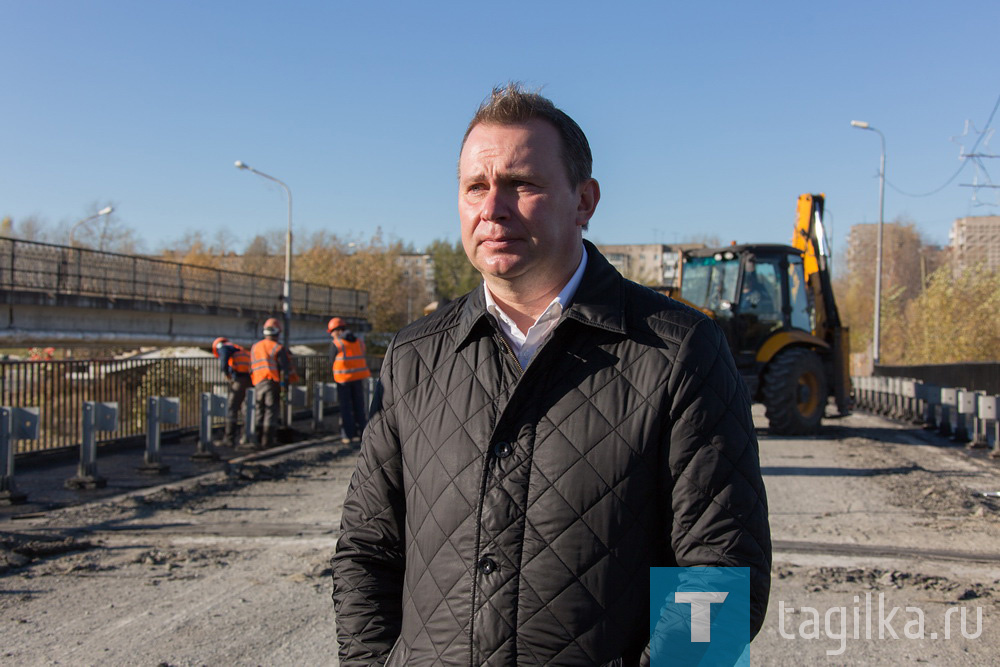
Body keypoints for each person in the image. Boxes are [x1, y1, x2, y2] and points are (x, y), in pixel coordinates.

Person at [331, 84, 771, 666]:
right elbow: (367, 551)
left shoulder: (677, 349)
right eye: (475, 188)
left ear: (584, 201)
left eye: (522, 184)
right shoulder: (416, 356)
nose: (493, 209)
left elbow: (719, 572)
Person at [249, 317, 297, 448]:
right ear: (277, 332)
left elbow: (251, 367)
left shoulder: (255, 347)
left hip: (258, 382)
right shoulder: (277, 347)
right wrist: (285, 387)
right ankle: (267, 441)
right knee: (271, 411)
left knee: (259, 410)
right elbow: (284, 369)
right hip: (272, 382)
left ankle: (256, 439)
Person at [328, 317, 371, 444]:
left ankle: (347, 434)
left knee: (346, 408)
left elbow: (331, 361)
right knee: (359, 406)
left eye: (332, 331)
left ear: (338, 330)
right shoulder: (358, 341)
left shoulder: (337, 343)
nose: (331, 335)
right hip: (358, 378)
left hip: (343, 380)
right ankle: (362, 433)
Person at [211, 336, 252, 448]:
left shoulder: (224, 347)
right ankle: (246, 437)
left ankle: (229, 439)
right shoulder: (237, 348)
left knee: (232, 408)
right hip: (249, 378)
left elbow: (224, 360)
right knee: (245, 408)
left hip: (239, 379)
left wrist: (226, 374)